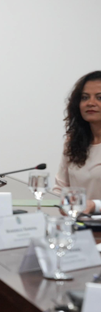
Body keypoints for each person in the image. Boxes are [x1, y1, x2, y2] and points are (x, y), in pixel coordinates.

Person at [55, 71, 101, 214]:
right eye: (85, 97)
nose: (90, 103)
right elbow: (60, 188)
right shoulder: (73, 141)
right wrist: (62, 204)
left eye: (99, 97)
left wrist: (94, 205)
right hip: (77, 223)